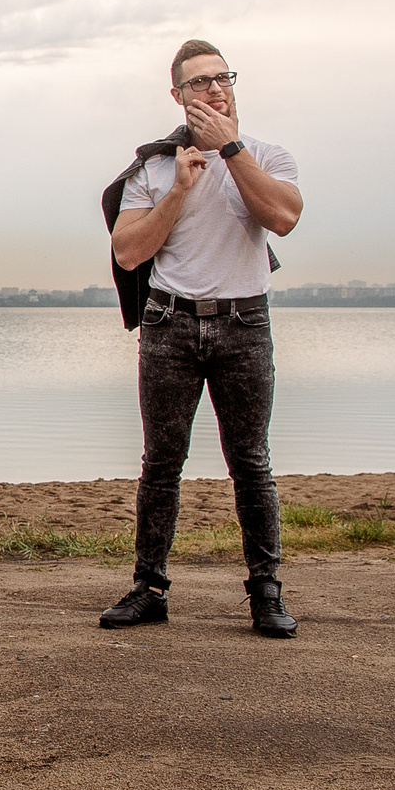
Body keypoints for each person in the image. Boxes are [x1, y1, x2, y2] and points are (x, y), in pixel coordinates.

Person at [100, 40, 302, 636]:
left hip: (244, 323)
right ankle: (149, 589)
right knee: (161, 463)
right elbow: (129, 249)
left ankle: (266, 594)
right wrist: (181, 189)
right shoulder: (154, 168)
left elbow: (284, 218)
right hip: (170, 324)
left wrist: (230, 151)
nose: (215, 89)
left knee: (251, 463)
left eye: (223, 79)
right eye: (199, 83)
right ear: (178, 96)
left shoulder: (266, 156)